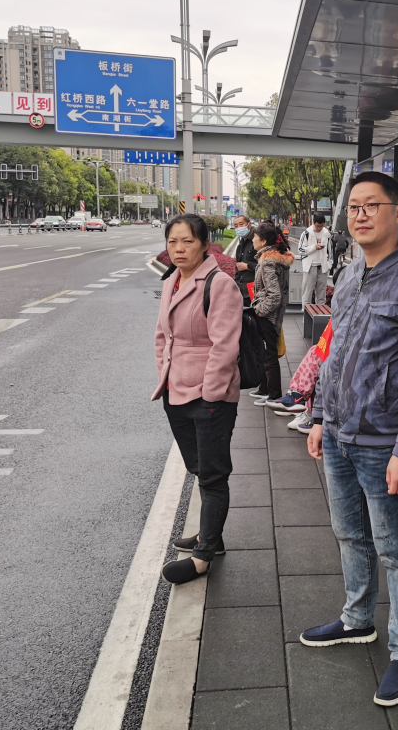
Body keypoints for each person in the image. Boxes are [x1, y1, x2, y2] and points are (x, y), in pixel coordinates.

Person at [302, 171, 398, 708]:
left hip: (382, 443)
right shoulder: (348, 276)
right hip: (339, 434)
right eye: (354, 207)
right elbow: (332, 353)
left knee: (397, 549)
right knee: (349, 534)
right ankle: (357, 618)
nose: (360, 215)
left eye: (371, 205)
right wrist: (319, 416)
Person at [151, 214, 243, 585]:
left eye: (187, 241)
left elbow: (225, 346)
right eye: (173, 241)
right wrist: (165, 374)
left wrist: (211, 394)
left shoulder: (220, 284)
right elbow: (162, 335)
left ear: (205, 245)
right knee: (198, 467)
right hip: (174, 392)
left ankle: (204, 555)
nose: (179, 249)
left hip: (210, 397)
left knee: (213, 474)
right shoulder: (172, 280)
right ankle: (210, 533)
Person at [249, 223, 294, 406]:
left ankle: (274, 395)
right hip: (272, 315)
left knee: (269, 356)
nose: (252, 239)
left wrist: (260, 311)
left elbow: (275, 295)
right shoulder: (274, 258)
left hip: (268, 316)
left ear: (263, 241)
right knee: (267, 354)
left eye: (255, 237)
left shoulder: (267, 262)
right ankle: (267, 390)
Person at [298, 213, 331, 304]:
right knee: (307, 294)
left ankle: (320, 312)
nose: (319, 228)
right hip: (310, 267)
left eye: (321, 226)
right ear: (313, 223)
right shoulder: (306, 233)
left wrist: (329, 264)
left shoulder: (327, 234)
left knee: (322, 295)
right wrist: (314, 247)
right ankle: (306, 313)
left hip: (323, 267)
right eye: (317, 226)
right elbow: (300, 250)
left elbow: (330, 251)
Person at [233, 216, 258, 305]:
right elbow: (238, 268)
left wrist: (247, 266)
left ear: (249, 225)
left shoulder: (257, 242)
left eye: (241, 224)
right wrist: (236, 285)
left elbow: (265, 266)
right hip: (242, 292)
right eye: (236, 226)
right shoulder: (240, 245)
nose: (239, 228)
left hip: (255, 291)